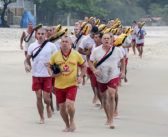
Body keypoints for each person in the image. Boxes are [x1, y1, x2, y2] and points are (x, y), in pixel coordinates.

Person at [48, 36, 87, 132]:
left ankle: (72, 119)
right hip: (59, 85)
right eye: (62, 42)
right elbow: (49, 66)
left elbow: (84, 66)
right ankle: (67, 125)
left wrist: (81, 77)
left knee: (69, 105)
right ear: (60, 44)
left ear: (71, 44)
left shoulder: (76, 54)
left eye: (66, 42)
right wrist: (51, 73)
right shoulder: (55, 55)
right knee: (62, 108)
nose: (64, 43)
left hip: (72, 84)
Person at [89, 33, 125, 129]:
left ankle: (112, 120)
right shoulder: (96, 50)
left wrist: (122, 71)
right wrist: (94, 70)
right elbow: (90, 62)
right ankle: (108, 117)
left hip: (113, 75)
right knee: (104, 98)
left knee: (112, 95)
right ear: (101, 40)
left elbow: (123, 59)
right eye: (104, 38)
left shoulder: (117, 50)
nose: (106, 40)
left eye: (108, 38)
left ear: (111, 39)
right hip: (101, 76)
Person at [24, 28, 57, 124]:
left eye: (42, 33)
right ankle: (42, 117)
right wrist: (27, 65)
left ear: (46, 34)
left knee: (46, 98)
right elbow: (27, 59)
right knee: (38, 97)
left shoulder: (52, 46)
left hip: (47, 75)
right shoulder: (32, 46)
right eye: (39, 34)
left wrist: (51, 64)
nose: (40, 35)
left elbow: (57, 60)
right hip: (36, 74)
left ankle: (48, 106)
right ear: (36, 34)